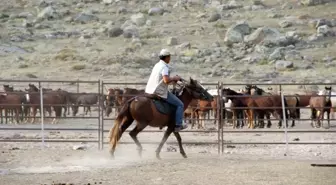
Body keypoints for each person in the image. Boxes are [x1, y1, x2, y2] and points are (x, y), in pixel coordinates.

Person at [145, 49, 188, 132]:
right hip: (159, 92)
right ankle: (178, 125)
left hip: (149, 90)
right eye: (169, 57)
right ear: (167, 57)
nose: (170, 58)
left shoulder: (157, 65)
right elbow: (166, 80)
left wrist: (172, 80)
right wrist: (175, 78)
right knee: (180, 104)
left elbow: (162, 80)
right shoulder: (165, 67)